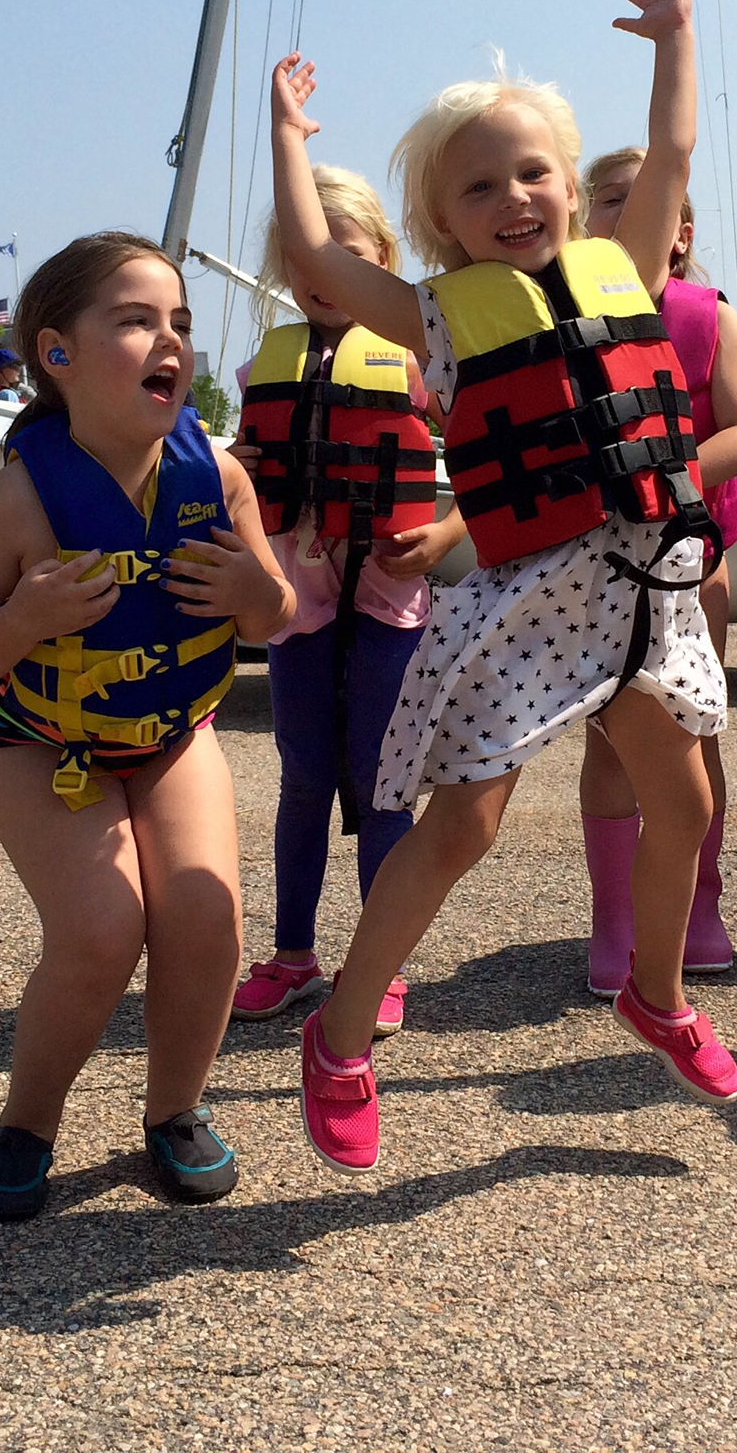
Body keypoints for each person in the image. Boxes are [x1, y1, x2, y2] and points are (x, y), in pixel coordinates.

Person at [272, 0, 737, 1178]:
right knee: (465, 824)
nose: (515, 197)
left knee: (684, 801)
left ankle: (656, 995)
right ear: (443, 225)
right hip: (532, 597)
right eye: (481, 187)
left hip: (642, 585)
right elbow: (321, 265)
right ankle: (336, 1037)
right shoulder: (438, 317)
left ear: (573, 193)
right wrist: (285, 139)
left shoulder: (624, 271)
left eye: (535, 172)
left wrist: (674, 39)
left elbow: (677, 153)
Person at [0, 232, 293, 1219]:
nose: (168, 337)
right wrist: (20, 622)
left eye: (177, 321)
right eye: (135, 320)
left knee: (206, 917)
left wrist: (256, 588)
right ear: (57, 353)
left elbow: (274, 620)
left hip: (172, 737)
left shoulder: (217, 481)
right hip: (44, 744)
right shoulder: (12, 503)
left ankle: (173, 1110)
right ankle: (27, 1123)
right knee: (99, 931)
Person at [229, 166, 465, 1038]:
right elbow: (237, 478)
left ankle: (379, 965)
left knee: (381, 785)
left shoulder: (419, 364)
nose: (319, 274)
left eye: (342, 255)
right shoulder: (264, 368)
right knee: (302, 780)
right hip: (299, 602)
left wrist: (444, 535)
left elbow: (493, 456)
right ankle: (293, 957)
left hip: (390, 604)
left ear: (380, 261)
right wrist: (242, 478)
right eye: (300, 257)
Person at [576, 167, 737, 992]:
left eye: (648, 196)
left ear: (681, 230)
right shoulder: (567, 320)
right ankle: (614, 913)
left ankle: (698, 901)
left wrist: (661, 476)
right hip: (599, 563)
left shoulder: (712, 318)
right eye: (609, 198)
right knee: (610, 740)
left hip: (695, 557)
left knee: (696, 732)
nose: (628, 210)